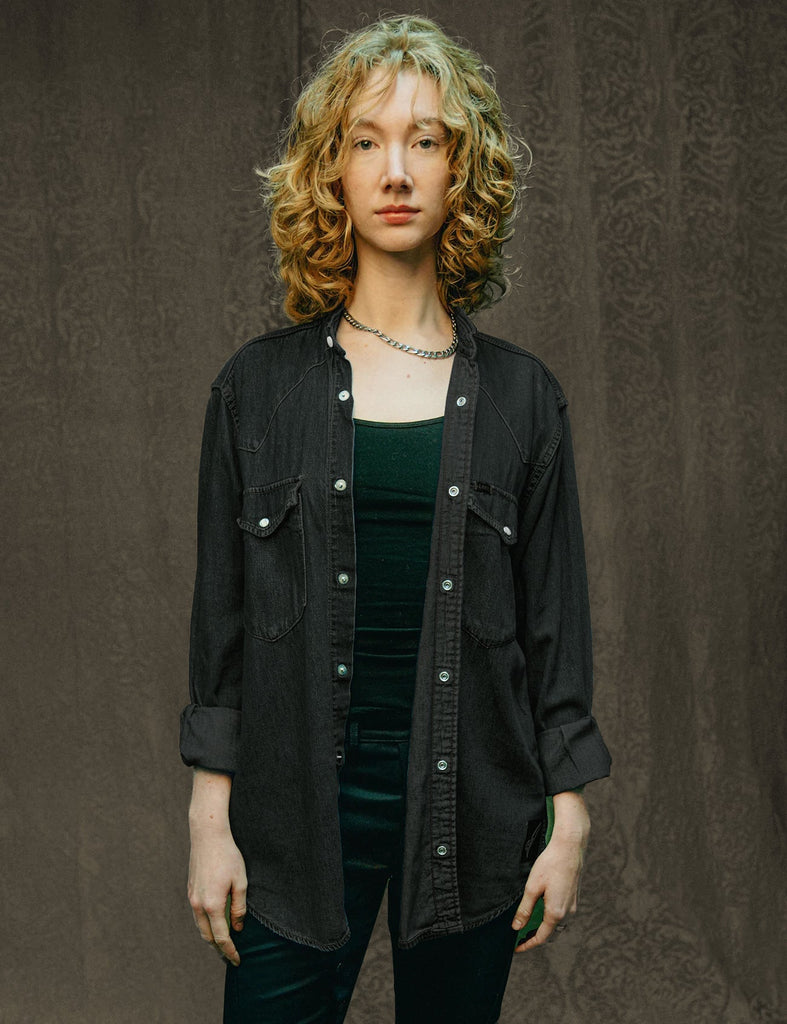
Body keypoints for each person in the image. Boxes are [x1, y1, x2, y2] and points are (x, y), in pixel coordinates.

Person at [180, 14, 611, 1023]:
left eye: (426, 140)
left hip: (473, 805)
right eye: (367, 141)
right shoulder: (255, 392)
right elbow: (221, 629)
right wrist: (209, 820)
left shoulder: (524, 401)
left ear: (463, 172)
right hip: (290, 814)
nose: (397, 170)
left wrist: (570, 817)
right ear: (331, 171)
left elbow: (554, 628)